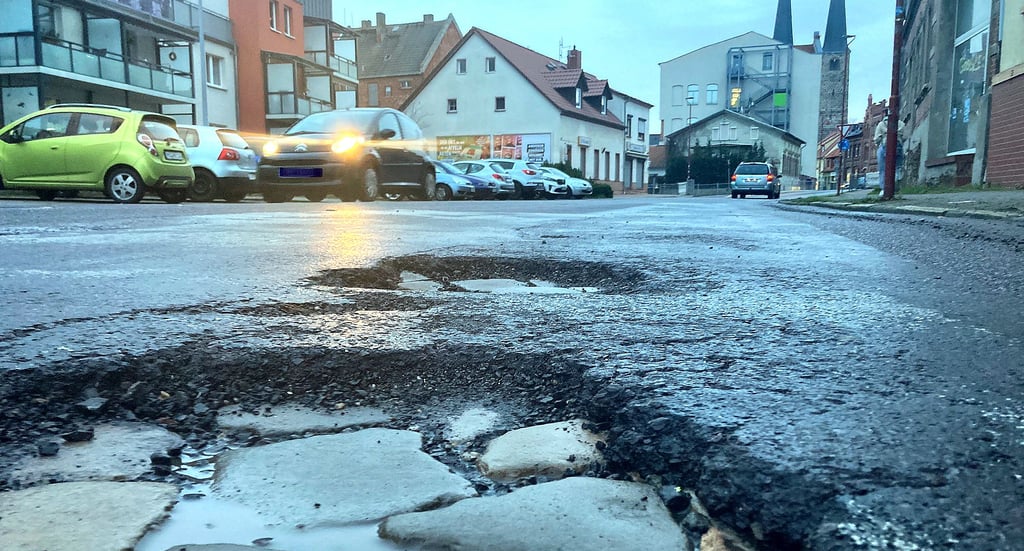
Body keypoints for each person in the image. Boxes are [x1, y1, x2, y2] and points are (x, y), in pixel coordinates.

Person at [874, 112, 905, 190]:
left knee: (883, 169)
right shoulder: (901, 123)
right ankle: (896, 185)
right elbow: (905, 136)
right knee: (898, 167)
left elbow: (877, 139)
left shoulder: (881, 124)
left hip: (884, 146)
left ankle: (884, 189)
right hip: (898, 146)